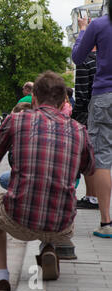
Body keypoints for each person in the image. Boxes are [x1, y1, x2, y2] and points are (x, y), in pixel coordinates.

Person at [0, 71, 95, 291]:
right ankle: (49, 247)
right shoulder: (79, 131)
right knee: (56, 198)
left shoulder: (17, 119)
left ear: (33, 98)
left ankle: (1, 278)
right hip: (63, 223)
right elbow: (90, 169)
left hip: (19, 217)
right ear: (64, 101)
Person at [72, 5, 112, 238]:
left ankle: (107, 222)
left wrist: (83, 30)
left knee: (103, 157)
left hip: (105, 94)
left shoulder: (99, 25)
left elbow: (78, 57)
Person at [73, 48, 98, 210]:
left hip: (90, 113)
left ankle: (92, 197)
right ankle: (93, 197)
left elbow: (81, 94)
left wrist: (74, 118)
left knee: (89, 156)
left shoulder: (85, 60)